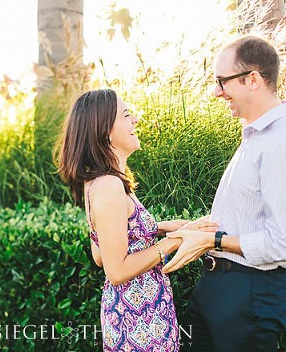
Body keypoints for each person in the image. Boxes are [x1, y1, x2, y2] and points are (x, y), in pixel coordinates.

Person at [162, 35, 286, 351]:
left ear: (253, 79)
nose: (216, 92)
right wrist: (194, 227)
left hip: (248, 295)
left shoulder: (284, 144)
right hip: (217, 287)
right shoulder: (257, 137)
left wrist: (214, 240)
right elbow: (248, 215)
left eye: (222, 82)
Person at [56, 89, 217, 351]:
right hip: (137, 322)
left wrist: (161, 228)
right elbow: (116, 270)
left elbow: (101, 254)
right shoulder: (108, 186)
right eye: (127, 114)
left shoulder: (99, 182)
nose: (136, 119)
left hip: (135, 316)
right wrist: (178, 240)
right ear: (104, 131)